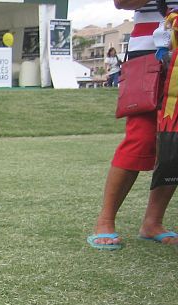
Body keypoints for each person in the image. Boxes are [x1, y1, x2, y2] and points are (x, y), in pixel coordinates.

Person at [88, 0, 178, 250]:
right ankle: (105, 221)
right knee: (141, 137)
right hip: (151, 53)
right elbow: (122, 1)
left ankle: (153, 222)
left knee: (174, 142)